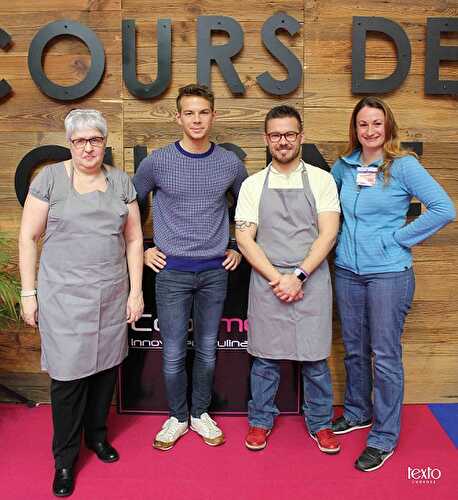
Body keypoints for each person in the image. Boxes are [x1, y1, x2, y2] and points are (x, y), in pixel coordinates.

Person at [19, 109, 144, 497]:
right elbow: (28, 237)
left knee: (105, 372)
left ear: (104, 143)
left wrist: (135, 292)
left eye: (95, 140)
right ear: (70, 143)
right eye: (80, 140)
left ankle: (98, 437)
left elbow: (134, 239)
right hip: (63, 297)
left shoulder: (121, 181)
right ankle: (64, 459)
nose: (88, 147)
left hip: (110, 294)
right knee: (69, 380)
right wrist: (28, 292)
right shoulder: (50, 180)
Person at [331, 96, 455, 472]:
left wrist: (398, 239)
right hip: (347, 272)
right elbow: (332, 212)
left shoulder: (403, 165)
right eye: (363, 124)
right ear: (355, 129)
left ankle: (384, 436)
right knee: (354, 348)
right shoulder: (343, 166)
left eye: (376, 124)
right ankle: (357, 411)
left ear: (388, 127)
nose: (370, 131)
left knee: (384, 357)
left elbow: (444, 208)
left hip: (388, 273)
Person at [132, 84, 247, 451]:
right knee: (173, 353)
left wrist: (237, 248)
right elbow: (128, 207)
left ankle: (199, 414)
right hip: (171, 273)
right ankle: (177, 418)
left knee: (209, 350)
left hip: (215, 272)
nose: (197, 119)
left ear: (213, 116)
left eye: (203, 112)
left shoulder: (229, 163)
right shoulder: (157, 162)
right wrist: (141, 252)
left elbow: (247, 210)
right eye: (190, 113)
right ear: (178, 117)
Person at [235, 105, 341, 453]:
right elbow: (245, 239)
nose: (283, 141)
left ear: (301, 137)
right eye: (276, 135)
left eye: (290, 134)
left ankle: (321, 424)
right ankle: (260, 421)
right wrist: (278, 278)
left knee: (314, 359)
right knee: (265, 360)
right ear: (267, 139)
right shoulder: (252, 184)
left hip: (310, 278)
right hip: (268, 280)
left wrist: (297, 275)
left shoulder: (322, 180)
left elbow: (328, 234)